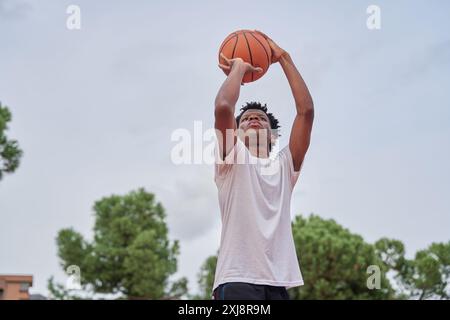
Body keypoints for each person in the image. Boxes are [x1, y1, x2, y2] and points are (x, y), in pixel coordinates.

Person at [212, 31, 315, 300]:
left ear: (272, 136)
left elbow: (306, 112)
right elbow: (224, 107)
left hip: (278, 284)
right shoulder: (231, 159)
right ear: (235, 132)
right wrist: (239, 68)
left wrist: (284, 58)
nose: (254, 120)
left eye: (261, 119)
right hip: (237, 279)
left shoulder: (285, 166)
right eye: (245, 119)